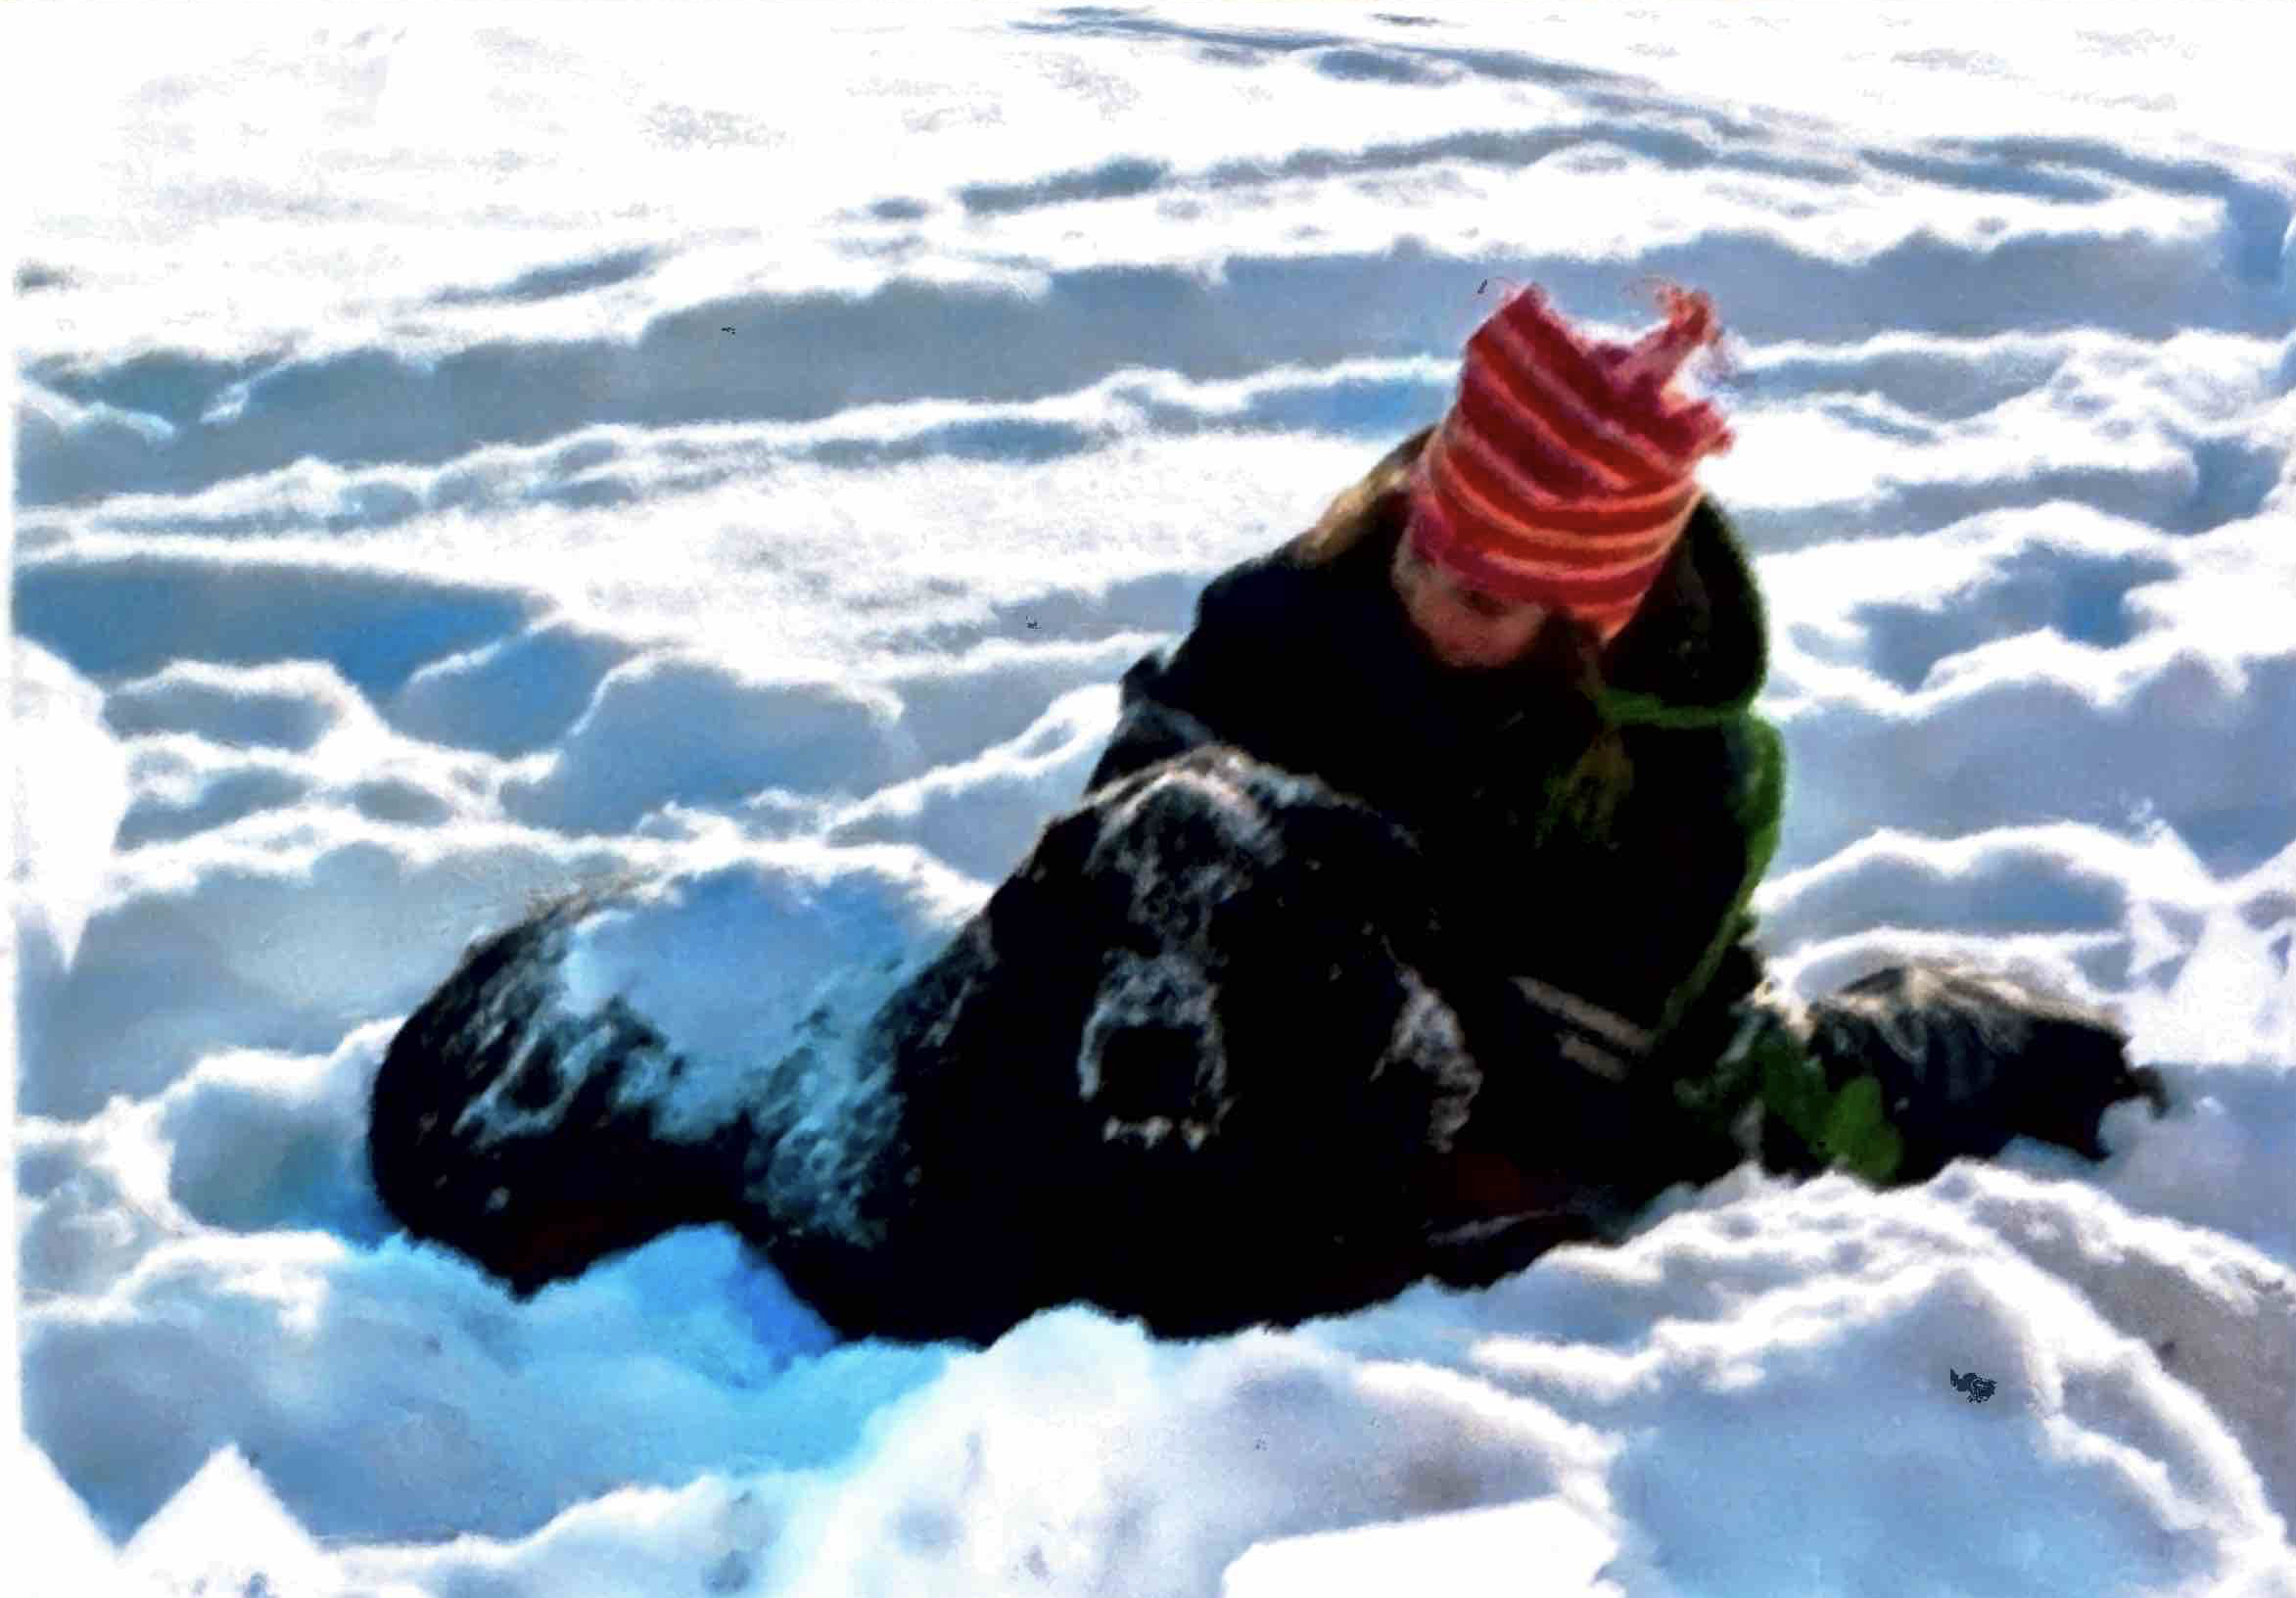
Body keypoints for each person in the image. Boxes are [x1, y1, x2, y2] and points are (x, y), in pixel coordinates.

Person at [367, 282, 2164, 1344]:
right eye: (1430, 532)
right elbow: (1119, 859)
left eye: (1486, 587)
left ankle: (1971, 1041)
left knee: (1756, 1121)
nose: (1430, 581)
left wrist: (1418, 1075)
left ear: (1583, 624)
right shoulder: (1290, 619)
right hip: (1304, 1001)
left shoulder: (1680, 779)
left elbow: (1603, 1078)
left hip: (1583, 1037)